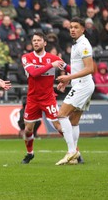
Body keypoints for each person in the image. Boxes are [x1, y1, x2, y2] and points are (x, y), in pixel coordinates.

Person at [20, 32, 66, 164]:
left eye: (39, 40)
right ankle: (30, 153)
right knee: (28, 129)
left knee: (58, 126)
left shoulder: (53, 57)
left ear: (44, 43)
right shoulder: (26, 57)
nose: (36, 42)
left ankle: (75, 151)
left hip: (48, 98)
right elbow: (33, 73)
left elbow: (68, 68)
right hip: (33, 99)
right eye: (34, 40)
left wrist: (66, 80)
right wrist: (52, 65)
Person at [56, 17, 95, 165]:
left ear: (83, 29)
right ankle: (74, 156)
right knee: (74, 121)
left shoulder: (84, 45)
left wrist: (69, 77)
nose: (72, 29)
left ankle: (72, 151)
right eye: (71, 27)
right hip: (81, 84)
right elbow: (79, 68)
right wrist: (68, 81)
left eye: (76, 27)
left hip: (83, 85)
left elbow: (90, 68)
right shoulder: (76, 44)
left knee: (61, 115)